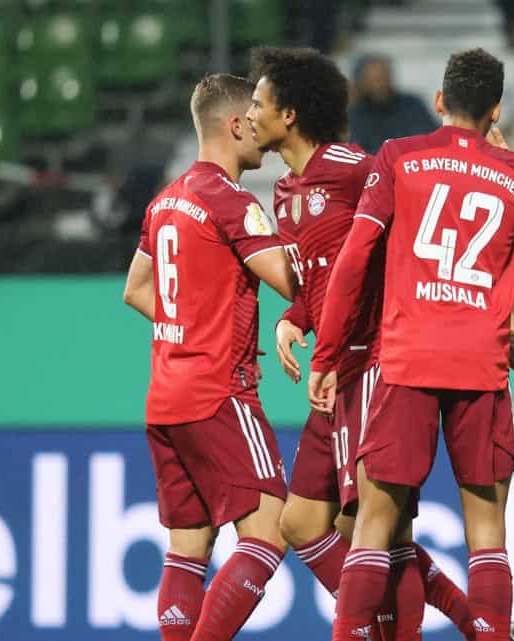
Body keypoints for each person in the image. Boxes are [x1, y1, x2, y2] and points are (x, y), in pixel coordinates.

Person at [307, 47, 514, 641]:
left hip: (406, 362)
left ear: (440, 100)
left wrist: (327, 354)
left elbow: (355, 259)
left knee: (373, 528)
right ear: (496, 111)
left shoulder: (397, 157)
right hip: (480, 367)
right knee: (487, 535)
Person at [245, 46, 473, 641]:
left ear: (290, 113)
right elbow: (322, 280)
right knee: (301, 523)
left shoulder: (355, 170)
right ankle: (451, 624)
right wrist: (293, 318)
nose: (249, 114)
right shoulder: (285, 191)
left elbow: (409, 242)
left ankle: (458, 627)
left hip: (376, 362)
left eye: (258, 103)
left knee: (377, 532)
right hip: (335, 373)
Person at [121, 73, 296, 641]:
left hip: (165, 396)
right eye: (257, 119)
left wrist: (195, 324)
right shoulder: (230, 200)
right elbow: (290, 281)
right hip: (219, 392)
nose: (264, 131)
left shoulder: (166, 201)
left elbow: (136, 289)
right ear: (236, 125)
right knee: (270, 532)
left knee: (187, 549)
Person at [349, 54, 438, 154]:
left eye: (384, 76)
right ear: (361, 82)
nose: (381, 84)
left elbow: (433, 137)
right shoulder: (353, 116)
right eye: (375, 79)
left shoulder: (412, 105)